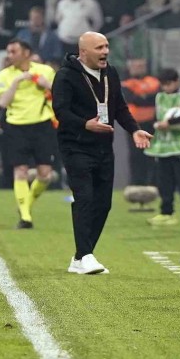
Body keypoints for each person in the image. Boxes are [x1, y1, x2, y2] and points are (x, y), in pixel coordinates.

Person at [52, 31, 152, 275]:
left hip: (104, 146)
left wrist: (135, 130)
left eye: (106, 46)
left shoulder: (111, 73)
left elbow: (120, 107)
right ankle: (86, 255)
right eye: (99, 48)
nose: (105, 51)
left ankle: (81, 257)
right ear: (83, 52)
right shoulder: (65, 76)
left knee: (103, 204)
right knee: (84, 197)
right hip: (76, 145)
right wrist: (85, 124)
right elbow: (61, 111)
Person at [0, 39, 57, 229]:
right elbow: (2, 103)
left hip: (42, 125)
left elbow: (62, 94)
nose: (9, 55)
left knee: (45, 175)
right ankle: (25, 218)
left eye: (13, 51)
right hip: (16, 127)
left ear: (26, 53)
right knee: (20, 171)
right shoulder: (4, 75)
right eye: (8, 52)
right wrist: (16, 82)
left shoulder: (45, 71)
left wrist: (48, 85)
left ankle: (25, 205)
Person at [145, 68, 180, 227]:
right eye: (163, 85)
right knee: (164, 182)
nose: (166, 87)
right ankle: (166, 213)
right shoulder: (160, 97)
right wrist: (156, 125)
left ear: (177, 81)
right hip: (164, 146)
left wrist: (169, 123)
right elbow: (156, 116)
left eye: (168, 84)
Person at [121, 59, 159, 186]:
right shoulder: (126, 84)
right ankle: (137, 182)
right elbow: (133, 99)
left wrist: (144, 97)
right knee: (136, 154)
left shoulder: (153, 81)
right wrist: (146, 97)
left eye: (141, 66)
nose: (139, 68)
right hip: (134, 125)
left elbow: (157, 97)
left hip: (152, 122)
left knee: (152, 153)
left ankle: (153, 182)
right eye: (136, 66)